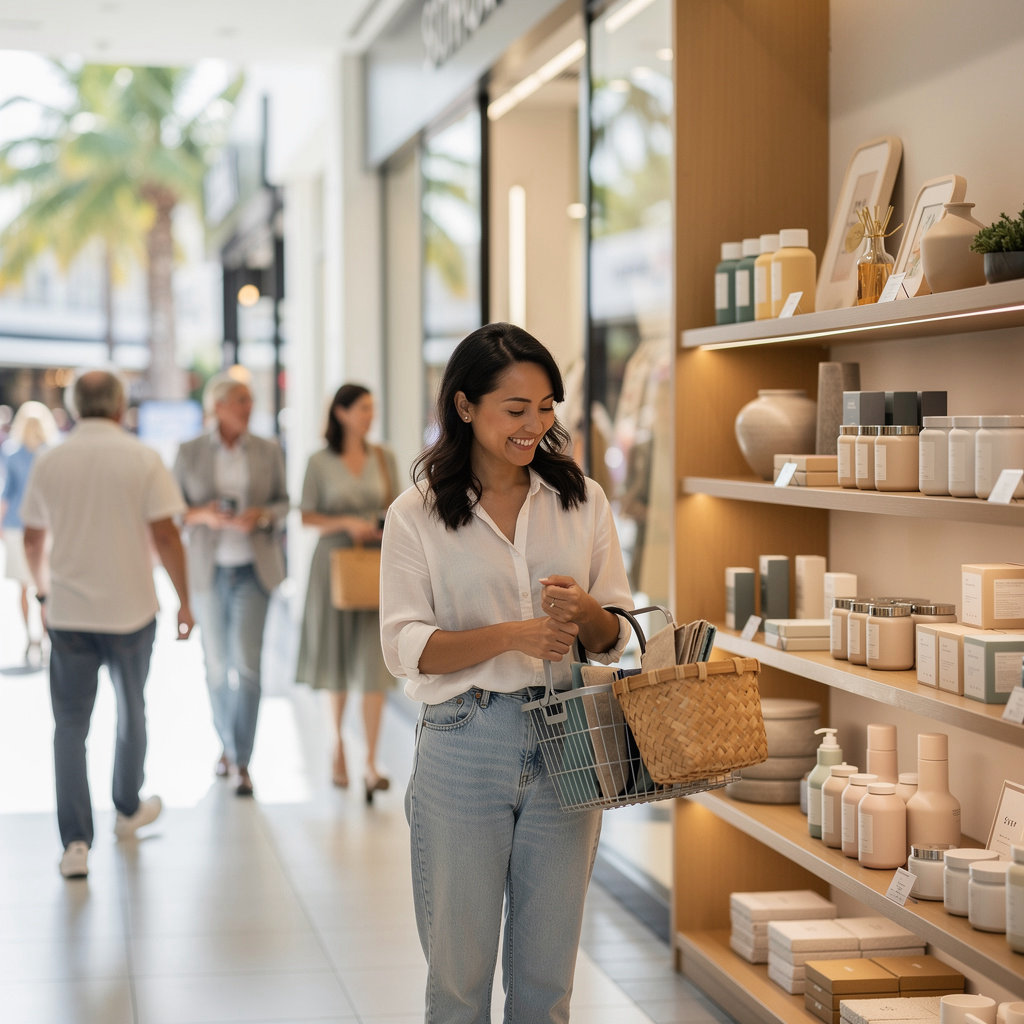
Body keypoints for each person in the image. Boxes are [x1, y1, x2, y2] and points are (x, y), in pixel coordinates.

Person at [379, 323, 633, 1023]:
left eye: (546, 408)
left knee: (547, 986)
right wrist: (514, 635)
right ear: (465, 406)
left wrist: (586, 612)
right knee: (459, 984)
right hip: (464, 740)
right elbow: (404, 647)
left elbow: (613, 636)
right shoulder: (417, 513)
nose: (534, 425)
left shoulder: (582, 499)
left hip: (569, 739)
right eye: (515, 409)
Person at [20, 369, 194, 880]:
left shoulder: (51, 460)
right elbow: (167, 536)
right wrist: (185, 602)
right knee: (132, 709)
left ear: (75, 407)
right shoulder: (143, 458)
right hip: (130, 611)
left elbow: (32, 539)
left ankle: (75, 843)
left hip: (69, 613)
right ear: (120, 407)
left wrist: (43, 592)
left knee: (70, 725)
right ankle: (127, 808)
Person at [173, 372, 288, 798]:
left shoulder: (268, 449)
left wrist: (261, 515)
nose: (248, 406)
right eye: (240, 399)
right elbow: (173, 511)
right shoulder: (188, 451)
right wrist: (205, 514)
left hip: (254, 571)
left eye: (250, 399)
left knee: (249, 666)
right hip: (209, 572)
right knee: (217, 666)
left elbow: (283, 502)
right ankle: (227, 743)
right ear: (218, 406)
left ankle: (241, 760)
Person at [295, 384, 399, 801]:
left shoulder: (384, 457)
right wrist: (346, 523)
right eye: (362, 409)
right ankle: (337, 745)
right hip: (333, 567)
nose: (370, 416)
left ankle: (371, 762)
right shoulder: (318, 462)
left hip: (374, 565)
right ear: (340, 413)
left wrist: (378, 527)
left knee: (374, 663)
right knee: (336, 657)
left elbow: (397, 510)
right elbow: (306, 517)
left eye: (373, 409)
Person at [1, 401, 59, 661]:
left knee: (24, 587)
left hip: (17, 523)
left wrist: (1, 524)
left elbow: (7, 494)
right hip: (45, 523)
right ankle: (45, 637)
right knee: (44, 585)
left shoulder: (12, 452)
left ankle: (30, 637)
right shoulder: (50, 452)